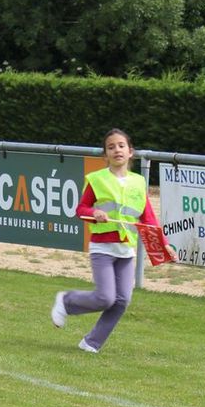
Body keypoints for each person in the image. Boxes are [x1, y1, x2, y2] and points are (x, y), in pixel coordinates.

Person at [50, 128, 174, 353]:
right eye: (111, 147)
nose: (117, 150)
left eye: (121, 146)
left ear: (130, 152)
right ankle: (66, 301)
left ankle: (91, 343)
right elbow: (81, 209)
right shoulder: (97, 180)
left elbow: (149, 218)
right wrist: (94, 213)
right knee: (106, 298)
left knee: (122, 301)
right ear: (104, 155)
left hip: (126, 250)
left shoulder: (138, 182)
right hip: (103, 248)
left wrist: (164, 244)